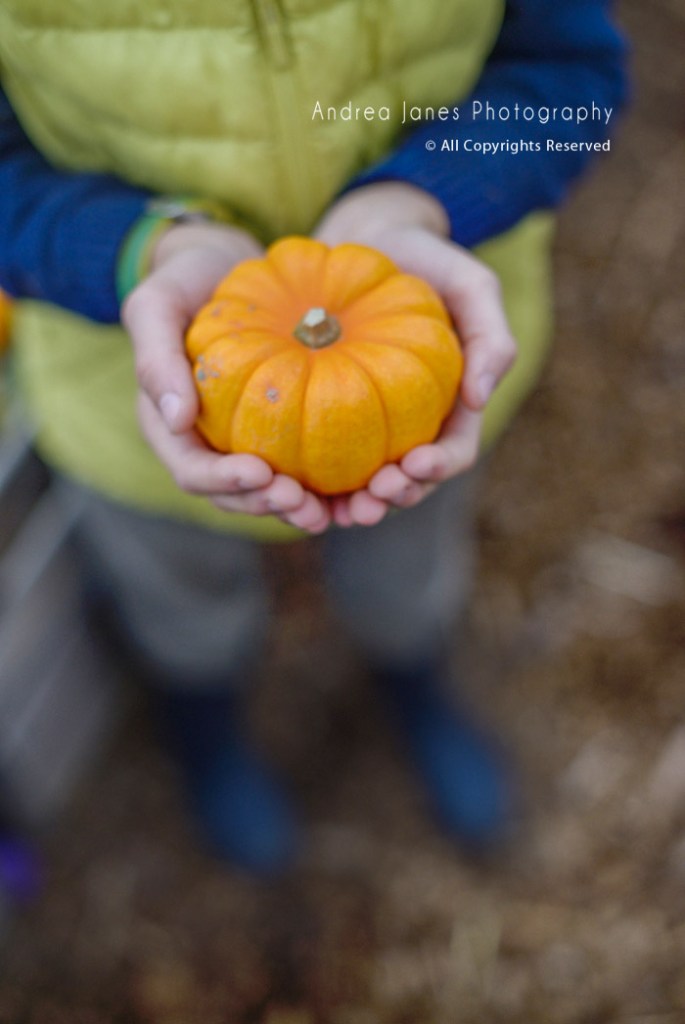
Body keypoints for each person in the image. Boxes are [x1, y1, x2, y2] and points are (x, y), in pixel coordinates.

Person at [0, 0, 627, 873]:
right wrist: (143, 248)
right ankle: (206, 724)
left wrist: (414, 201)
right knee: (183, 605)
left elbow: (569, 74)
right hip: (127, 397)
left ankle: (412, 685)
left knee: (403, 574)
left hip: (414, 387)